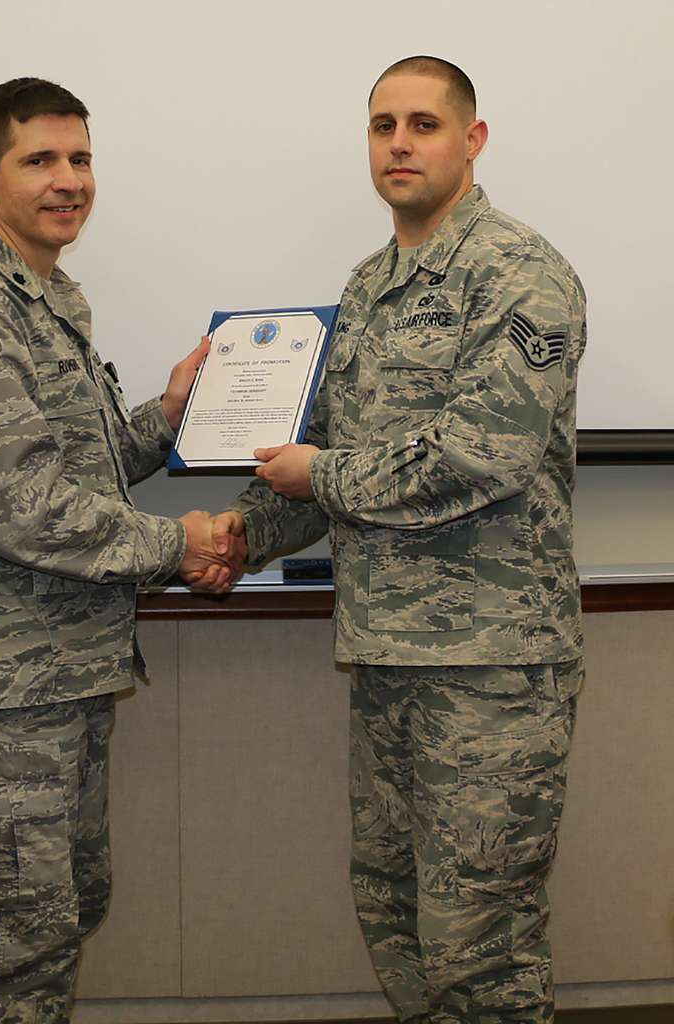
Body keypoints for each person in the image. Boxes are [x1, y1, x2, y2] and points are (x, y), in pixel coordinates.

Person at [199, 56, 586, 1023]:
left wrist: (316, 475)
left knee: (481, 952)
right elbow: (323, 450)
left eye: (423, 124)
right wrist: (244, 533)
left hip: (491, 670)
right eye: (382, 127)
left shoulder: (522, 273)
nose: (400, 144)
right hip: (385, 661)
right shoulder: (368, 287)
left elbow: (479, 455)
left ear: (473, 139)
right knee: (397, 917)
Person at [0, 78, 237, 1023]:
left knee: (54, 926)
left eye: (80, 159)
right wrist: (181, 541)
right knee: (11, 956)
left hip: (55, 678)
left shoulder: (44, 296)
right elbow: (22, 508)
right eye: (40, 160)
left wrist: (165, 418)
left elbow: (76, 470)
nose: (67, 180)